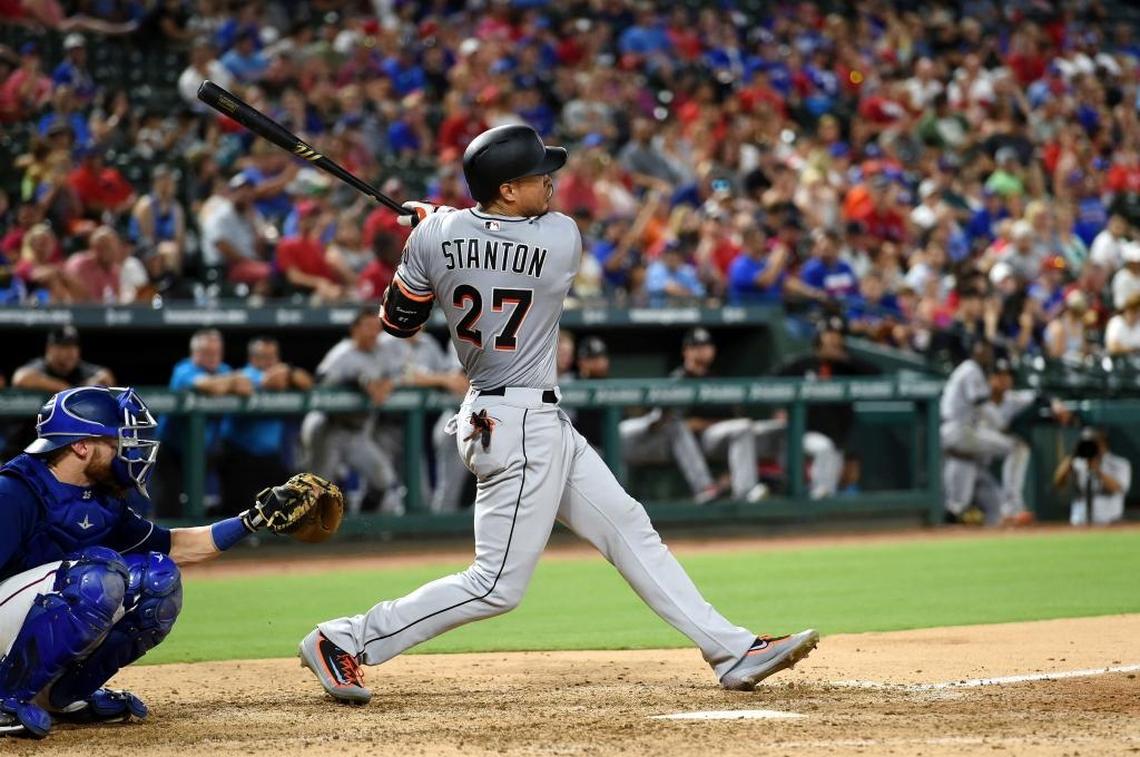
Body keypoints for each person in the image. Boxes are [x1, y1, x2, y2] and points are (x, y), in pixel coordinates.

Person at [299, 125, 817, 705]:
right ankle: (343, 639)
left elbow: (398, 322)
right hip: (516, 425)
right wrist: (443, 222)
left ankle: (732, 650)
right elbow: (493, 236)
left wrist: (428, 234)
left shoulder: (435, 235)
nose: (551, 182)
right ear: (508, 189)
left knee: (628, 527)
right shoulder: (560, 238)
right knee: (495, 586)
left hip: (517, 417)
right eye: (536, 176)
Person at [0, 386, 317, 737]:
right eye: (116, 441)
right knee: (96, 577)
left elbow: (175, 546)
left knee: (157, 580)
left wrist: (252, 520)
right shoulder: (15, 491)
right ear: (81, 445)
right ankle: (5, 699)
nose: (127, 450)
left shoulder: (101, 500)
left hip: (23, 616)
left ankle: (62, 696)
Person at [300, 310, 403, 516]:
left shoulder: (382, 352)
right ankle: (308, 535)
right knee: (318, 489)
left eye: (376, 327)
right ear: (354, 329)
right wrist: (357, 380)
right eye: (368, 327)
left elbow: (401, 373)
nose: (374, 333)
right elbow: (320, 383)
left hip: (358, 432)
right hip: (329, 428)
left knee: (384, 479)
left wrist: (389, 383)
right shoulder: (341, 354)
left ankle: (365, 524)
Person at [770, 317, 879, 499]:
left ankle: (819, 511)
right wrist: (779, 408)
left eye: (838, 335)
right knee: (823, 452)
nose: (834, 339)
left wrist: (845, 359)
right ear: (819, 338)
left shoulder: (846, 367)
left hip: (837, 437)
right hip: (803, 432)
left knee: (829, 486)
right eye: (829, 334)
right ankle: (816, 503)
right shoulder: (801, 364)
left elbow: (877, 374)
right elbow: (769, 383)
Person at [154, 330, 253, 517]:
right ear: (195, 353)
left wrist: (227, 382)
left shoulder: (223, 370)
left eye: (217, 352)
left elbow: (246, 387)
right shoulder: (183, 369)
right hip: (172, 449)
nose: (213, 357)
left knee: (236, 474)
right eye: (207, 353)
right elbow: (209, 386)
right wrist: (230, 382)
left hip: (205, 450)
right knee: (168, 503)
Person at [374, 331, 471, 514]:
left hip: (411, 431)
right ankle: (370, 534)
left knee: (421, 497)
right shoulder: (385, 342)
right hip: (382, 427)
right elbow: (404, 377)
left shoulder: (429, 343)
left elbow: (454, 380)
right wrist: (441, 379)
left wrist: (439, 379)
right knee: (382, 487)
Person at [218, 338, 313, 516]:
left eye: (273, 356)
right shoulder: (243, 374)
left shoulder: (283, 373)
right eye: (264, 357)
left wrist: (289, 372)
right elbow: (262, 381)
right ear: (253, 358)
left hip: (271, 457)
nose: (270, 361)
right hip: (239, 454)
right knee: (238, 512)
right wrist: (266, 381)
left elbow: (307, 382)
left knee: (285, 509)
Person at [1055, 428, 1132, 526]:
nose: (1091, 446)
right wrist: (1072, 457)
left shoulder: (1119, 463)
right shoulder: (1078, 463)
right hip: (1080, 520)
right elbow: (1058, 483)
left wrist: (1097, 471)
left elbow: (1118, 488)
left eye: (1094, 442)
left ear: (1104, 443)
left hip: (1110, 520)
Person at [12, 325, 115, 393]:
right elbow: (20, 378)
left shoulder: (79, 367)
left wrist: (87, 386)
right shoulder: (43, 365)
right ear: (50, 349)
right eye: (65, 346)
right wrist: (66, 389)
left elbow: (106, 376)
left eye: (74, 346)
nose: (71, 352)